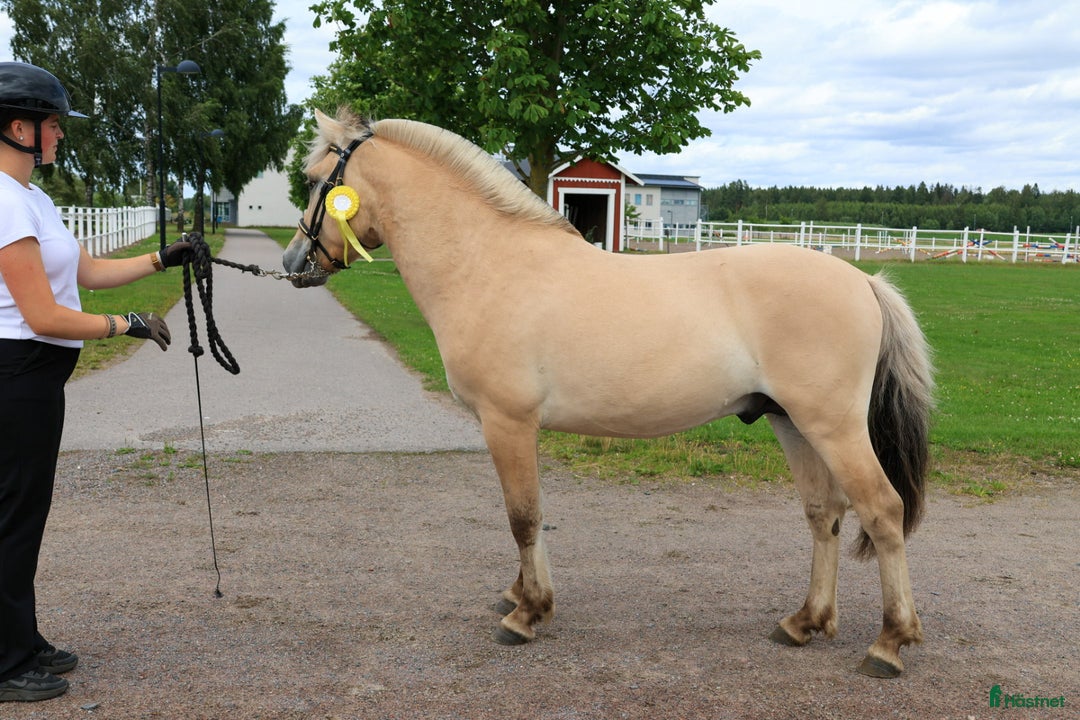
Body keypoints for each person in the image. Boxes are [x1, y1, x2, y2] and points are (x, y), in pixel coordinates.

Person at [0, 61, 188, 703]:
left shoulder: (34, 199)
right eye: (53, 125)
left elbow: (85, 270)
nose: (59, 135)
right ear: (19, 127)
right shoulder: (0, 201)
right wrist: (123, 326)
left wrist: (164, 258)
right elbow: (43, 314)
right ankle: (6, 661)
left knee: (26, 511)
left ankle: (20, 639)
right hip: (15, 373)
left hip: (37, 377)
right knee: (13, 516)